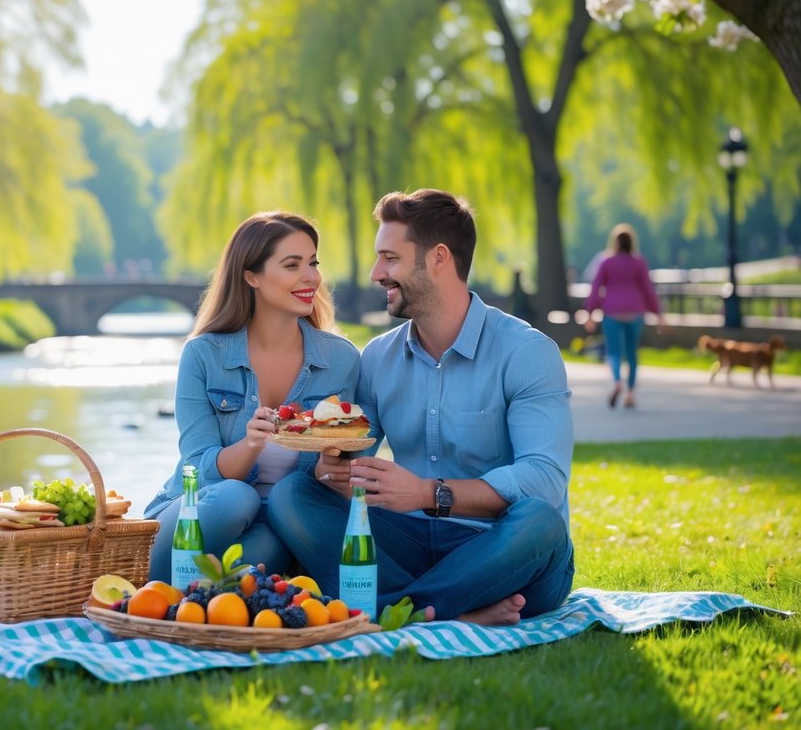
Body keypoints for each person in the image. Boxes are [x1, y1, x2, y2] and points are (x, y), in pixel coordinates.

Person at [269, 189, 574, 626]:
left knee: (540, 521)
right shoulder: (377, 357)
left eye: (389, 258)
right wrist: (330, 469)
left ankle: (398, 608)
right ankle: (448, 610)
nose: (376, 273)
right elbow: (355, 453)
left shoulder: (526, 352)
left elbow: (544, 481)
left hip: (502, 552)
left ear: (439, 258)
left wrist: (428, 494)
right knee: (293, 494)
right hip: (410, 542)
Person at [144, 211, 360, 581]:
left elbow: (336, 480)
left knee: (276, 536)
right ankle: (161, 588)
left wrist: (332, 461)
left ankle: (185, 609)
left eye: (313, 263)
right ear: (251, 276)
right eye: (292, 265)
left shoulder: (341, 359)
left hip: (279, 523)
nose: (310, 277)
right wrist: (251, 444)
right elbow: (199, 468)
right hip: (199, 511)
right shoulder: (203, 356)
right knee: (234, 498)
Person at [583, 223, 664, 409]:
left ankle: (618, 380)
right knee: (632, 353)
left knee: (614, 352)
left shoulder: (606, 262)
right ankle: (630, 393)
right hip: (635, 312)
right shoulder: (639, 262)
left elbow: (596, 288)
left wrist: (589, 313)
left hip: (612, 311)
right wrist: (658, 315)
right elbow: (648, 290)